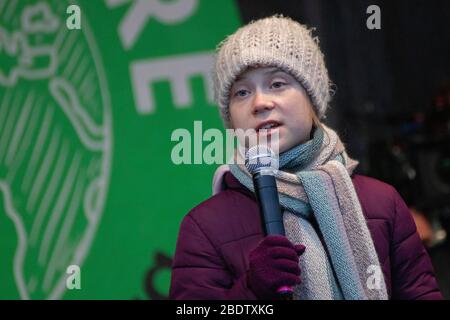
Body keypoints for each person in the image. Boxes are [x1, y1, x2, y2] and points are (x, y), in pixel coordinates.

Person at [169, 15, 442, 300]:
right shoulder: (205, 226)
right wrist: (251, 290)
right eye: (242, 92)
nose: (260, 102)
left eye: (277, 83)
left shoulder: (383, 203)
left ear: (312, 97)